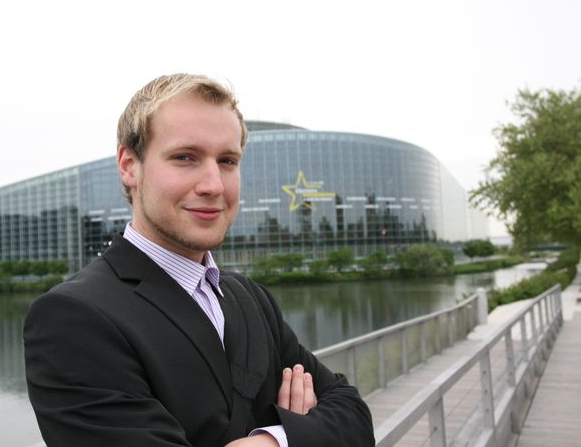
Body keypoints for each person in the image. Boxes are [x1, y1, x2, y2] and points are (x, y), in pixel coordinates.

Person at [24, 73, 374, 447]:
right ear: (129, 165)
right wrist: (299, 433)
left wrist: (271, 442)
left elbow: (354, 416)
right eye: (185, 157)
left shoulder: (250, 298)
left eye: (227, 160)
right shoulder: (73, 315)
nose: (214, 185)